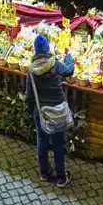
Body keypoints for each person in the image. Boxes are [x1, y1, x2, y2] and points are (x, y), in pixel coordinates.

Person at [24, 34, 74, 187]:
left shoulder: (31, 70)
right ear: (47, 48)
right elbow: (69, 71)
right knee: (58, 143)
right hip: (57, 109)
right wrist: (69, 57)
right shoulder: (55, 64)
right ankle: (60, 177)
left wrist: (30, 109)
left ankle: (44, 173)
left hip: (41, 112)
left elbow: (29, 95)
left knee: (42, 142)